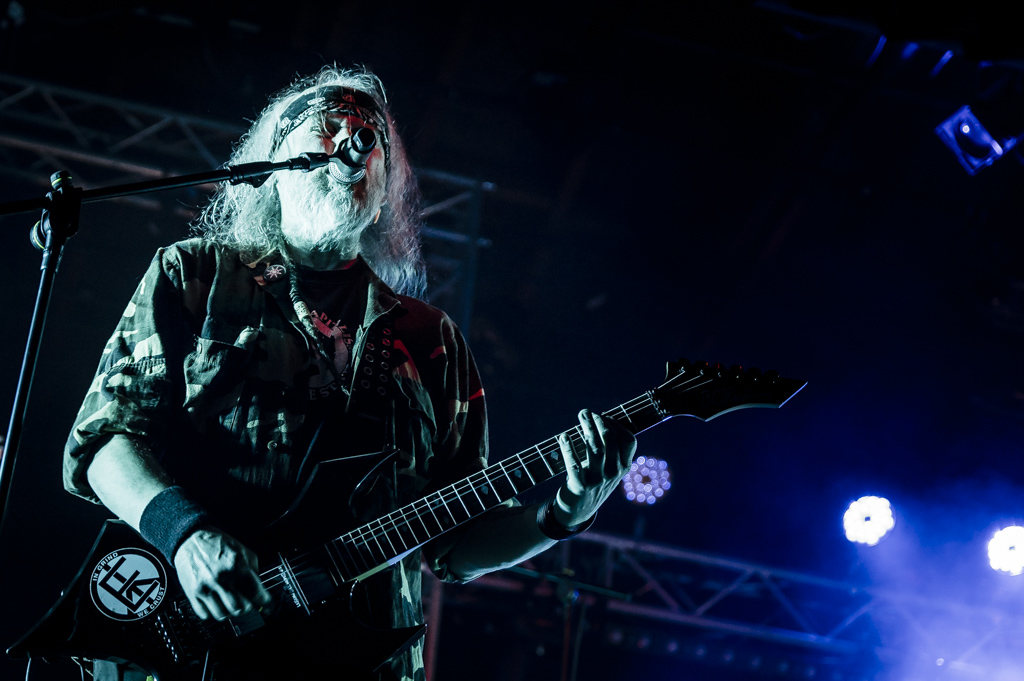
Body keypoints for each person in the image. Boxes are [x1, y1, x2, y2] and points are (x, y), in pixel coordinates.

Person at [63, 65, 635, 681]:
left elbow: (458, 545)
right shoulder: (197, 274)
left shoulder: (431, 339)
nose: (352, 143)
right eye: (327, 127)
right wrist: (187, 535)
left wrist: (564, 513)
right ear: (272, 164)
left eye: (371, 138)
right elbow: (103, 442)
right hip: (188, 648)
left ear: (384, 190)